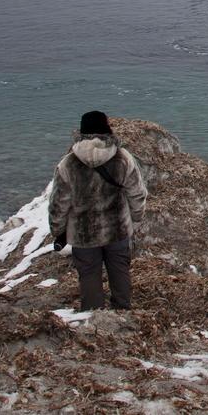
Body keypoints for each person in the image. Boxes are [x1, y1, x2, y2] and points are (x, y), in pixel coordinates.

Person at [48, 111, 147, 310]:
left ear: (82, 132)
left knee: (89, 274)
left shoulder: (67, 163)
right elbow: (137, 193)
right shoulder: (122, 157)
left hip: (83, 235)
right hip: (117, 229)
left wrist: (58, 231)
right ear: (107, 129)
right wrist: (136, 218)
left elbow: (58, 204)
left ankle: (94, 316)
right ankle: (122, 311)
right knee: (120, 271)